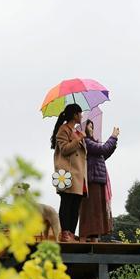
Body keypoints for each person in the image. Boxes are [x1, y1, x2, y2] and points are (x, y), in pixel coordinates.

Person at [79, 120, 119, 242]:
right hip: (93, 180)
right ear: (84, 129)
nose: (92, 129)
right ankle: (88, 238)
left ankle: (94, 238)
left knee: (97, 210)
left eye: (92, 126)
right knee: (92, 209)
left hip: (97, 179)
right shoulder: (86, 142)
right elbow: (102, 150)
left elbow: (102, 155)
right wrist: (113, 137)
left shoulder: (91, 143)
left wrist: (112, 146)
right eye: (90, 126)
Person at [51, 103, 87, 242]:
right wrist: (79, 139)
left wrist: (81, 137)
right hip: (67, 173)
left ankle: (71, 232)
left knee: (75, 204)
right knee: (67, 203)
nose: (82, 116)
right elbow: (65, 149)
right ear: (75, 115)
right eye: (80, 113)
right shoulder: (63, 130)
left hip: (78, 174)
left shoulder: (77, 131)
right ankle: (65, 232)